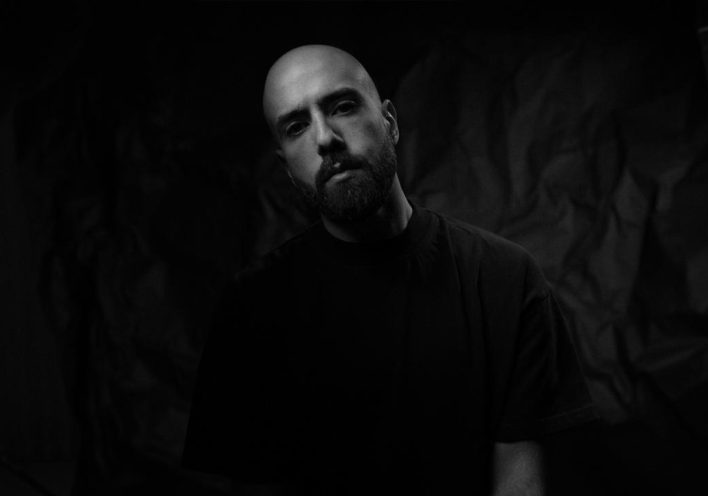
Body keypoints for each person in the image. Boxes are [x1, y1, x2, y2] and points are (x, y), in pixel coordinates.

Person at [182, 44, 597, 495]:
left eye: (342, 106)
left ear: (390, 122)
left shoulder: (503, 279)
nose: (325, 138)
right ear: (285, 166)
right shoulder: (252, 309)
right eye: (297, 126)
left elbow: (520, 484)